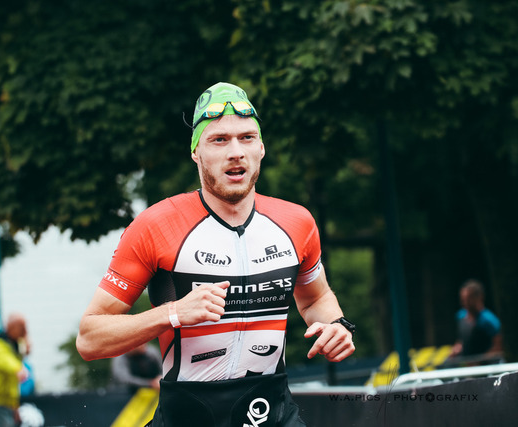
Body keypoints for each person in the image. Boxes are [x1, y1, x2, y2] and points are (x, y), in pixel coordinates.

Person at [76, 82, 355, 426]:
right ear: (196, 152)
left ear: (261, 148)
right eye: (219, 140)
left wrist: (335, 325)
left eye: (247, 138)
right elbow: (90, 339)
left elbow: (315, 299)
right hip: (188, 415)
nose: (236, 152)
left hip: (272, 413)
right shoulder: (155, 225)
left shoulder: (296, 222)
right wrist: (173, 313)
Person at [0, 313, 30, 427]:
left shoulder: (14, 346)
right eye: (21, 327)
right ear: (11, 327)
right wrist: (18, 369)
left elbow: (27, 350)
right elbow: (6, 361)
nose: (23, 331)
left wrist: (15, 406)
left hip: (8, 403)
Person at [450, 279, 502, 360]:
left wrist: (480, 361)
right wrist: (457, 348)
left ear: (479, 297)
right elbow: (462, 340)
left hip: (486, 365)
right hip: (466, 364)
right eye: (463, 299)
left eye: (468, 299)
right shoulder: (460, 315)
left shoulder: (489, 320)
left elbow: (498, 347)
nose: (465, 303)